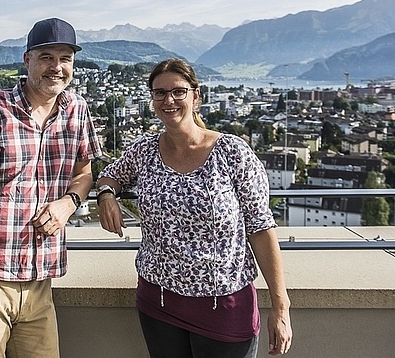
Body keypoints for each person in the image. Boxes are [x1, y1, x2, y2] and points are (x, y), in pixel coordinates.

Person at [96, 58, 293, 358]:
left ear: (196, 96)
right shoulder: (144, 150)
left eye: (178, 91)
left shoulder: (232, 153)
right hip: (158, 302)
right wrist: (107, 195)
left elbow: (261, 228)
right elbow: (109, 175)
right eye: (159, 93)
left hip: (224, 307)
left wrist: (280, 307)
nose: (169, 100)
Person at [0, 17, 102, 358]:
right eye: (46, 57)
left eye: (65, 58)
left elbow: (84, 174)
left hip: (40, 281)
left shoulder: (78, 112)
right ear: (27, 60)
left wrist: (68, 204)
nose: (56, 67)